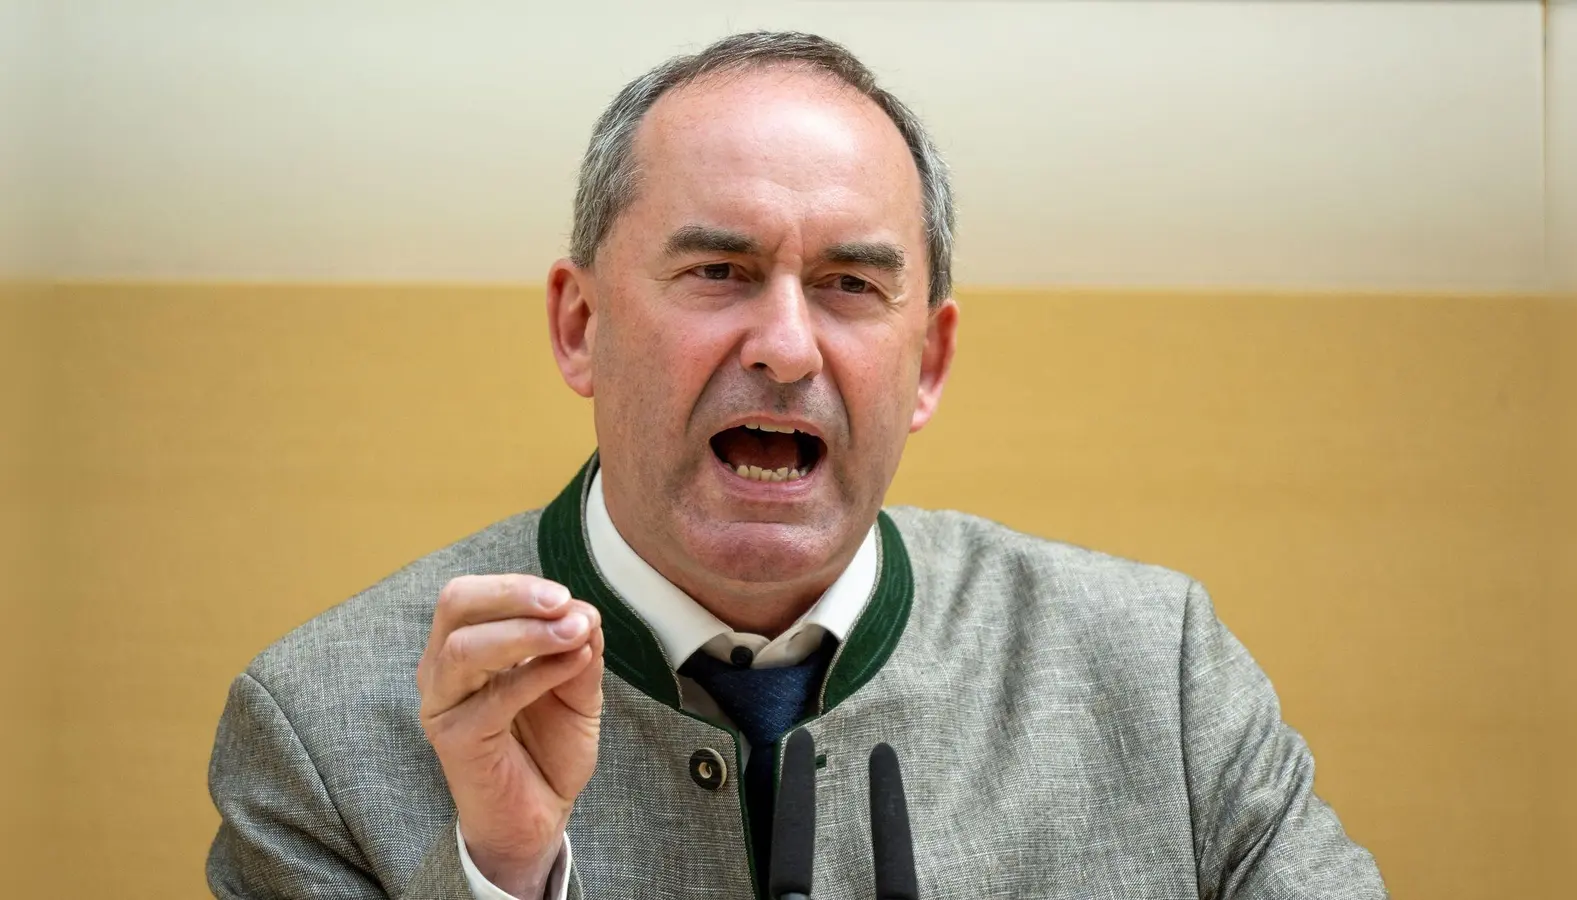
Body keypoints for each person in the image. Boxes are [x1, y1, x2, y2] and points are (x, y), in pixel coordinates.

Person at [206, 31, 1387, 900]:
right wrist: (503, 878)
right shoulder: (320, 728)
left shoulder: (1158, 672)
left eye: (849, 285)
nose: (782, 346)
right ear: (580, 328)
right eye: (717, 273)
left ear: (926, 363)